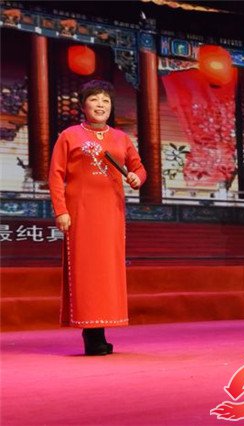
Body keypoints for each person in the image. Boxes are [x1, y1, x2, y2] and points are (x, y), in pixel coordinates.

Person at [48, 80, 147, 355]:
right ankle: (92, 334)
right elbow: (55, 175)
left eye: (105, 100)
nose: (101, 105)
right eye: (94, 99)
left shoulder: (121, 138)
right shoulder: (69, 135)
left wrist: (136, 178)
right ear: (83, 106)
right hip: (80, 212)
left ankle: (100, 330)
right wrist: (61, 210)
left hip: (111, 213)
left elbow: (139, 168)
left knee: (107, 271)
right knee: (86, 270)